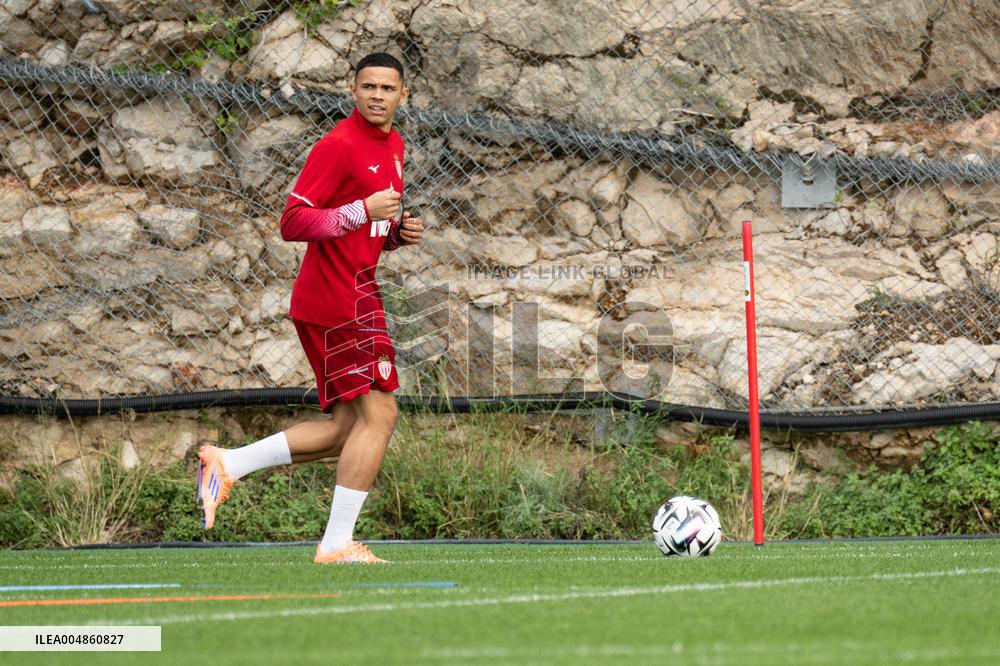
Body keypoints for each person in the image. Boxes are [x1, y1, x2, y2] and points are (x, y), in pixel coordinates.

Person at [196, 52, 424, 564]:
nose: (377, 96)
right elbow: (294, 221)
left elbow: (361, 229)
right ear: (353, 90)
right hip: (337, 300)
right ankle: (337, 544)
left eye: (387, 88)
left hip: (358, 292)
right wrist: (363, 209)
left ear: (403, 95)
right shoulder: (338, 145)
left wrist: (395, 235)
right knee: (381, 415)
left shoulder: (394, 145)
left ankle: (228, 464)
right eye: (368, 86)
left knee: (346, 430)